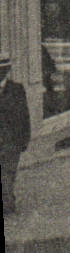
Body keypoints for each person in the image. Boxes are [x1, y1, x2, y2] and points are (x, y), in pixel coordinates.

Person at [1, 56, 30, 215]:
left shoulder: (17, 89)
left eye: (3, 70)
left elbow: (24, 115)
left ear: (7, 71)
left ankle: (7, 203)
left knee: (8, 172)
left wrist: (25, 138)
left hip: (11, 140)